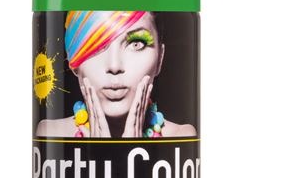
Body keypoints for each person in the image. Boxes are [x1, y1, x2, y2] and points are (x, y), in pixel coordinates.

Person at [36, 10, 196, 138]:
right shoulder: (50, 133)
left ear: (160, 58)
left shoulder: (182, 136)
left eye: (136, 44)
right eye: (96, 44)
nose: (114, 66)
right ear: (73, 59)